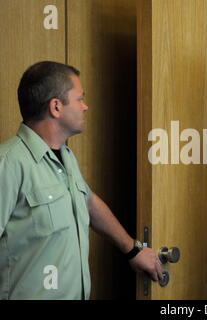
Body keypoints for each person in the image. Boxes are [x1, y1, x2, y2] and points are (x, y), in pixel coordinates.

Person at [0, 61, 163, 299]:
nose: (85, 107)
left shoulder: (65, 156)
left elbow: (88, 202)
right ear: (56, 107)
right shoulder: (8, 163)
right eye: (79, 99)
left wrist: (133, 250)